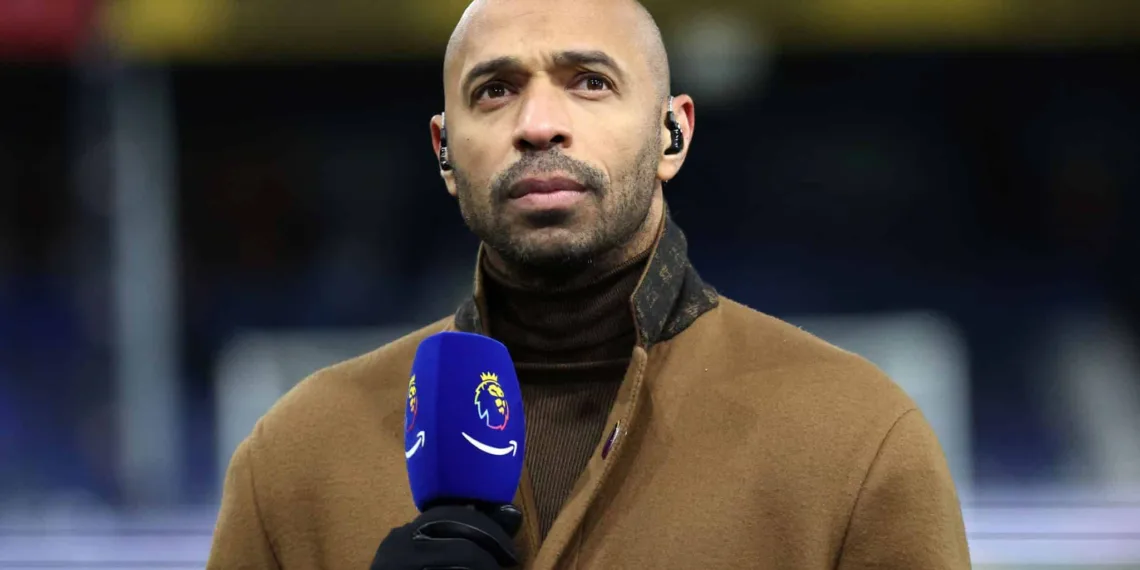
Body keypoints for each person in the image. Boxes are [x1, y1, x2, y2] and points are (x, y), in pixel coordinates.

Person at [206, 0, 972, 568]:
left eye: (590, 83)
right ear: (444, 152)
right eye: (494, 91)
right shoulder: (296, 460)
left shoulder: (858, 442)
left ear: (673, 134)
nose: (539, 122)